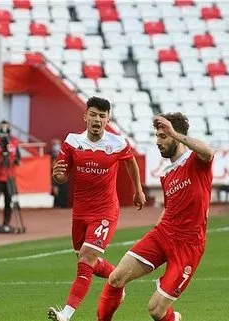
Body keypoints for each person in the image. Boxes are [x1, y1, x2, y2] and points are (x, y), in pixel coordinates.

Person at [96, 113, 214, 321]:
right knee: (116, 278)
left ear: (176, 136)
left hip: (188, 245)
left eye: (163, 136)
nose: (158, 142)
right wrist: (155, 231)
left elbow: (208, 151)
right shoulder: (166, 174)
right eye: (157, 136)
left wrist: (175, 133)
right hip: (162, 235)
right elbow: (169, 208)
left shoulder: (196, 161)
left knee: (155, 310)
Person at [48, 96, 146, 321]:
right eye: (93, 114)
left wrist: (138, 190)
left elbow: (130, 162)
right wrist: (59, 177)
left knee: (85, 260)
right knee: (88, 262)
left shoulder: (117, 143)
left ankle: (66, 313)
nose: (97, 119)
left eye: (102, 116)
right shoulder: (72, 142)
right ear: (85, 117)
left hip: (105, 211)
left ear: (107, 119)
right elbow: (62, 175)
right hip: (80, 211)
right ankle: (117, 280)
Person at [50, 139, 69, 208]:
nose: (56, 146)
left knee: (63, 190)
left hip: (64, 174)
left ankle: (63, 204)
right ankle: (56, 204)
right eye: (55, 144)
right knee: (55, 190)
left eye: (57, 144)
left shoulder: (64, 153)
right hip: (54, 175)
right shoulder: (50, 155)